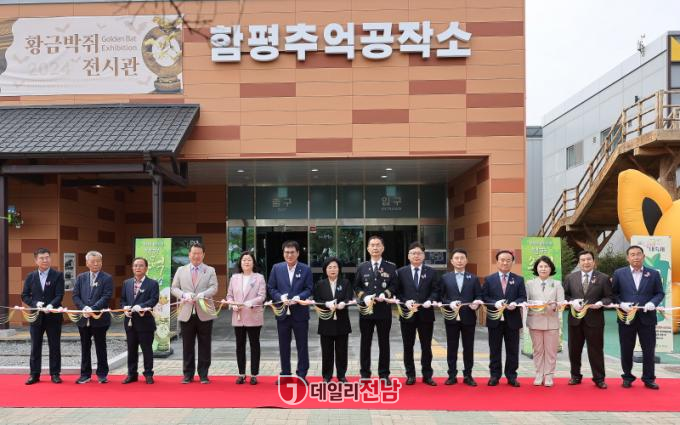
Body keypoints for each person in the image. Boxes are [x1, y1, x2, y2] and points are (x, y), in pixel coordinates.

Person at [612, 245, 664, 390]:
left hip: (647, 318)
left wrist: (653, 303)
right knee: (626, 349)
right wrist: (621, 304)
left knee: (649, 349)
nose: (636, 257)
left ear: (643, 256)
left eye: (638, 254)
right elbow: (613, 293)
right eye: (632, 254)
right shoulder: (619, 273)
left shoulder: (653, 274)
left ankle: (649, 378)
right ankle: (627, 377)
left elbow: (660, 293)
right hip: (626, 317)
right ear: (628, 258)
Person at [170, 242, 218, 384]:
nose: (196, 256)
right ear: (189, 254)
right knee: (187, 344)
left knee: (205, 344)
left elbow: (214, 287)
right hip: (186, 311)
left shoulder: (210, 270)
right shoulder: (181, 270)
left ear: (203, 255)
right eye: (193, 253)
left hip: (205, 311)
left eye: (199, 253)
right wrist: (183, 295)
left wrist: (203, 294)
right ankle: (187, 374)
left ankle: (203, 374)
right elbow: (174, 288)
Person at [267, 240, 314, 384]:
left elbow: (309, 288)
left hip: (300, 313)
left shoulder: (305, 269)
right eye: (286, 252)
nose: (289, 255)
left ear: (298, 253)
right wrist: (280, 297)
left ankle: (301, 375)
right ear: (283, 253)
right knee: (284, 345)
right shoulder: (277, 268)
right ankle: (285, 374)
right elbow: (271, 288)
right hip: (282, 313)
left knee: (302, 345)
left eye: (292, 252)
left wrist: (299, 297)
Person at [563, 250, 611, 389]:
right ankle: (575, 376)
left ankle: (599, 378)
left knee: (596, 350)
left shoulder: (603, 278)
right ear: (579, 263)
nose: (586, 262)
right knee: (574, 349)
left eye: (589, 259)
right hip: (575, 320)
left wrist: (601, 303)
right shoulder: (570, 278)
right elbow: (564, 295)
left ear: (594, 261)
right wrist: (572, 302)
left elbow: (609, 297)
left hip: (595, 320)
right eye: (583, 260)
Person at [353, 235, 397, 383]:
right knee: (365, 342)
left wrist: (386, 294)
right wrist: (364, 296)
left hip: (383, 310)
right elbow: (356, 286)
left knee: (384, 343)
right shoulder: (362, 267)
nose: (375, 247)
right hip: (366, 311)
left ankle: (384, 374)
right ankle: (365, 374)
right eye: (372, 245)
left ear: (383, 248)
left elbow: (394, 286)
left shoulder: (391, 267)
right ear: (368, 248)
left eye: (378, 245)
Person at [395, 242, 439, 386]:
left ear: (423, 256)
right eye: (413, 253)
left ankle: (427, 375)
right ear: (408, 256)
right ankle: (410, 375)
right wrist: (405, 301)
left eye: (419, 253)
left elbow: (436, 290)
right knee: (408, 345)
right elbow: (397, 291)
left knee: (426, 346)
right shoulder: (401, 272)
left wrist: (430, 300)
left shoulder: (431, 272)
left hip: (426, 314)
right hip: (407, 314)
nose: (416, 256)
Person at [438, 248, 483, 386]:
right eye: (456, 258)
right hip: (451, 317)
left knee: (468, 347)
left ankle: (468, 375)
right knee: (452, 347)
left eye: (462, 258)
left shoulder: (473, 278)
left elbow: (479, 296)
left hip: (468, 317)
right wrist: (449, 303)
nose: (459, 261)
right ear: (451, 261)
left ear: (466, 260)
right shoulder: (445, 278)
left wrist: (477, 304)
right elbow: (440, 297)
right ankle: (452, 375)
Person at [482, 250, 526, 387]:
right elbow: (484, 297)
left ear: (512, 262)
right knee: (494, 349)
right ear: (497, 262)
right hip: (494, 319)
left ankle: (511, 376)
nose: (505, 263)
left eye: (508, 260)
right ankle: (494, 375)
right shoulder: (489, 279)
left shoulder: (519, 279)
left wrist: (515, 303)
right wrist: (494, 303)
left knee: (512, 349)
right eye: (502, 260)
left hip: (513, 320)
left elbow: (522, 297)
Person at [21, 248, 64, 385]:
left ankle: (55, 374)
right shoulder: (30, 276)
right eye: (42, 258)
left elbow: (59, 295)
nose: (45, 260)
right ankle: (34, 374)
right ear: (36, 260)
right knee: (35, 346)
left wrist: (51, 305)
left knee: (54, 346)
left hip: (53, 317)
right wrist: (35, 303)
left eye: (47, 257)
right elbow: (24, 295)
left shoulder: (58, 275)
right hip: (36, 317)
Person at [72, 250, 113, 384]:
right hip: (83, 318)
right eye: (93, 261)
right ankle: (85, 374)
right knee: (85, 346)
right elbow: (75, 295)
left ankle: (102, 374)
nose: (96, 264)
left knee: (101, 346)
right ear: (87, 263)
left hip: (99, 318)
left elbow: (106, 296)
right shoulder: (81, 277)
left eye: (98, 261)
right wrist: (84, 307)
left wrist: (93, 308)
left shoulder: (107, 278)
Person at [226, 251, 266, 385]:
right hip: (238, 316)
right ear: (240, 262)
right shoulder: (234, 278)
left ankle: (254, 374)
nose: (246, 262)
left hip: (253, 315)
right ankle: (241, 374)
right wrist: (232, 304)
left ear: (253, 262)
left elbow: (262, 296)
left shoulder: (259, 277)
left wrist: (251, 302)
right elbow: (229, 295)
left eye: (249, 260)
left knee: (254, 345)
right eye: (244, 260)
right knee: (240, 345)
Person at [525, 256, 565, 387]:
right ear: (536, 268)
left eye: (546, 266)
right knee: (537, 350)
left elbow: (561, 304)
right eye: (541, 266)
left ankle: (548, 375)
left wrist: (555, 305)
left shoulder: (557, 284)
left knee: (551, 351)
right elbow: (525, 302)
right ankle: (538, 374)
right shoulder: (529, 284)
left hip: (551, 321)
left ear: (551, 269)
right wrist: (534, 304)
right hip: (535, 321)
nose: (543, 269)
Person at [313, 257, 353, 383]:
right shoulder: (320, 284)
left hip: (342, 322)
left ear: (339, 269)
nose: (332, 269)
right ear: (325, 270)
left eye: (335, 267)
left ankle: (341, 375)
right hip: (326, 322)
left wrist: (343, 303)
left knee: (342, 351)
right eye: (329, 267)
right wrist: (326, 304)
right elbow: (316, 300)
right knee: (327, 351)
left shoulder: (345, 282)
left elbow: (349, 297)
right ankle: (326, 376)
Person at [120, 257, 159, 384]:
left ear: (146, 268)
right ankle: (132, 374)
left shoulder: (152, 283)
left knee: (146, 349)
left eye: (141, 265)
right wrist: (124, 308)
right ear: (132, 268)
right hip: (130, 322)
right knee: (131, 349)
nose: (138, 268)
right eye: (135, 265)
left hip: (145, 322)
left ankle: (148, 374)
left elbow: (154, 300)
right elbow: (123, 299)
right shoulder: (127, 283)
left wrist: (141, 306)